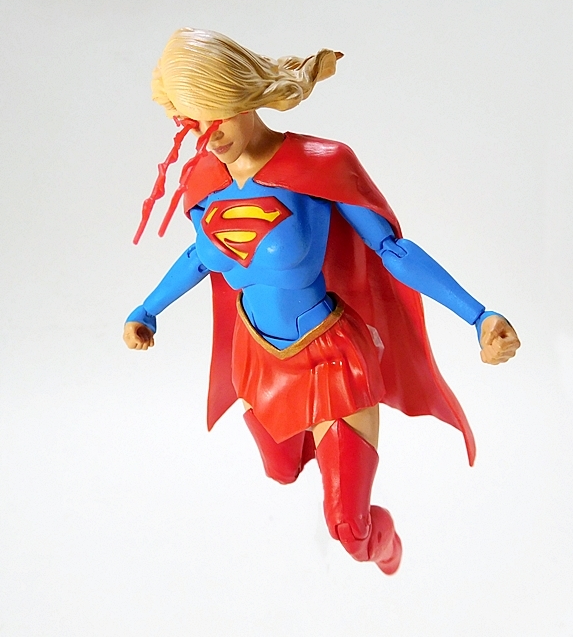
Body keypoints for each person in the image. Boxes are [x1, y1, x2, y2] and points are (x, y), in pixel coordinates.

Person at [123, 28, 520, 575]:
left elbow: (391, 249)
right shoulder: (206, 184)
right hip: (257, 359)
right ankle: (330, 455)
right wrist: (147, 310)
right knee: (282, 471)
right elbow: (198, 257)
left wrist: (479, 315)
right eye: (193, 124)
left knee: (350, 531)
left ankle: (387, 546)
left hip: (331, 359)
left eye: (217, 119)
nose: (210, 138)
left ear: (244, 99)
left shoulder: (318, 166)